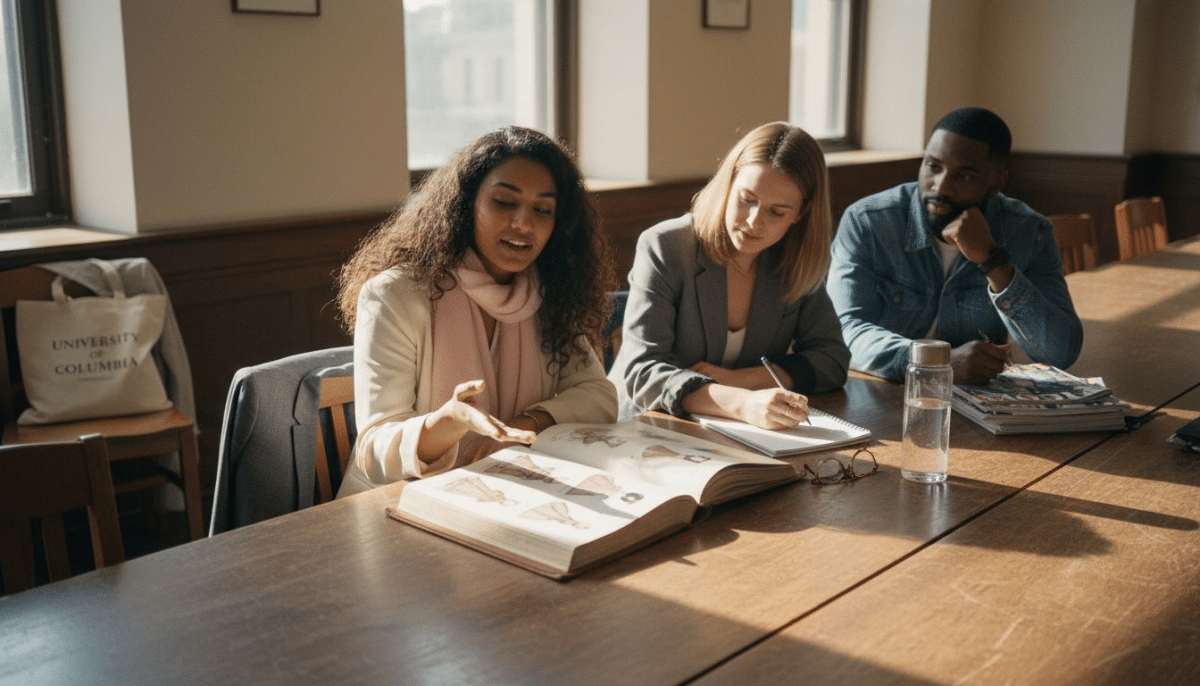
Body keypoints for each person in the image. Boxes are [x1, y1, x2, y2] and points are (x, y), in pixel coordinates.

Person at [335, 126, 618, 495]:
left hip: (509, 490)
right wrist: (447, 423)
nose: (523, 223)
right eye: (504, 202)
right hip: (400, 504)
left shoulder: (546, 291)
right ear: (467, 205)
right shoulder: (395, 294)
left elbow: (598, 395)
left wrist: (523, 423)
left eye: (543, 209)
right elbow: (374, 450)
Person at [608, 122, 850, 430]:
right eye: (747, 199)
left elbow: (832, 360)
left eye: (777, 212)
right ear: (728, 183)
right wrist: (742, 402)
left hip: (741, 433)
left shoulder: (793, 261)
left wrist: (741, 380)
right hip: (647, 426)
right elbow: (642, 372)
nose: (753, 222)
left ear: (800, 214)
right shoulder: (666, 247)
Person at [827, 107, 1083, 384]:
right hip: (882, 393)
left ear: (997, 181)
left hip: (977, 409)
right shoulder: (870, 223)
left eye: (964, 176)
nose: (941, 187)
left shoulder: (1030, 232)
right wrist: (937, 363)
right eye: (933, 166)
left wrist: (993, 262)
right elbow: (845, 331)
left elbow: (1060, 352)